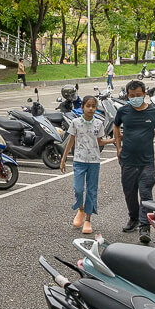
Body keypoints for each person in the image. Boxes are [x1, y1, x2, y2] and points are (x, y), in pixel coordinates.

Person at [114, 80, 155, 244]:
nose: (135, 98)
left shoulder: (154, 112)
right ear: (127, 96)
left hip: (147, 162)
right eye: (131, 96)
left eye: (138, 95)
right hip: (127, 161)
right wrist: (118, 147)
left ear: (144, 94)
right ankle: (133, 218)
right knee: (129, 193)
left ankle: (145, 226)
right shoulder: (123, 111)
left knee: (146, 193)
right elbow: (116, 127)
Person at [60, 95, 113, 235]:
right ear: (82, 107)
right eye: (88, 106)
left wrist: (113, 140)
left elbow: (100, 142)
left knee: (91, 190)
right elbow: (70, 141)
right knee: (78, 189)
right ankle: (81, 209)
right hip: (79, 161)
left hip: (94, 161)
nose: (90, 109)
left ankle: (88, 219)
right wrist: (63, 160)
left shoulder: (98, 124)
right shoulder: (75, 123)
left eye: (93, 106)